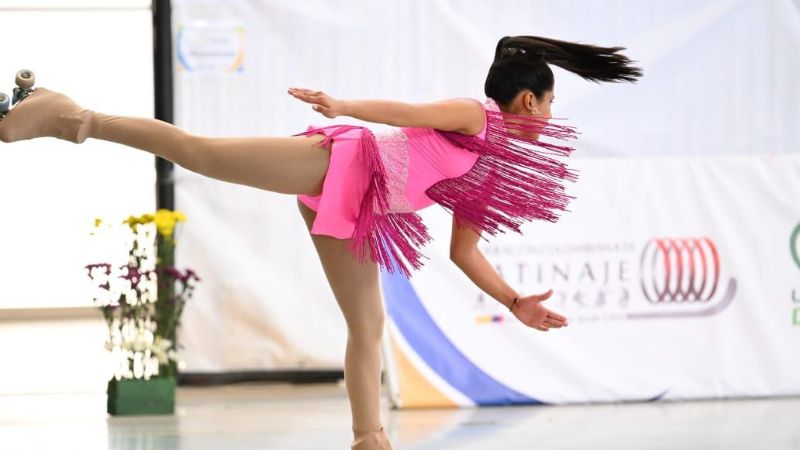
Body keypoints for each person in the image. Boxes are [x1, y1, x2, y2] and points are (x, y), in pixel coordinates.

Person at [0, 35, 640, 450]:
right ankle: (67, 115)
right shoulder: (481, 116)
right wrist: (342, 105)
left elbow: (463, 251)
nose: (551, 120)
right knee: (200, 152)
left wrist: (515, 299)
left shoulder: (490, 166)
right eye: (551, 106)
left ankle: (370, 441)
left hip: (361, 209)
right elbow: (407, 115)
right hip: (338, 163)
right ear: (528, 99)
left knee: (368, 326)